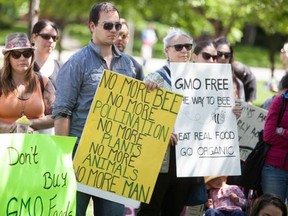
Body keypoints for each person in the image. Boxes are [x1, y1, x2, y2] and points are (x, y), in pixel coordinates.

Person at [52, 2, 141, 216]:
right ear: (92, 26)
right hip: (78, 153)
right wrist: (64, 159)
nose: (114, 30)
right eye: (107, 25)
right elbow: (62, 113)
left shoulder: (129, 65)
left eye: (117, 25)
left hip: (113, 157)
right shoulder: (76, 63)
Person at [137, 28, 197, 216]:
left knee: (175, 206)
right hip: (160, 155)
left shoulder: (202, 79)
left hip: (187, 154)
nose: (184, 51)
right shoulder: (154, 79)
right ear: (166, 51)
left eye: (188, 46)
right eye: (178, 47)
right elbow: (140, 117)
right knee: (151, 207)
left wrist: (229, 111)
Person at [0, 32, 55, 133]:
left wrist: (28, 123)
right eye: (16, 54)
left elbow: (55, 117)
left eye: (27, 53)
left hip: (37, 145)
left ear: (32, 56)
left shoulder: (44, 82)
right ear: (8, 58)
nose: (22, 58)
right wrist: (10, 128)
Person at [262, 83, 288, 202]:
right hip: (274, 169)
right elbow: (268, 135)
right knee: (272, 209)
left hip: (275, 167)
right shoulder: (280, 101)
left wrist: (282, 132)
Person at [213, 37, 252, 102]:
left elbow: (241, 109)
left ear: (230, 58)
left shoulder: (237, 84)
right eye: (219, 54)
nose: (223, 58)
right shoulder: (201, 79)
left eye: (227, 55)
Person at [31, 19, 61, 88]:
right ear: (34, 37)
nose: (51, 41)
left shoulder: (61, 68)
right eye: (46, 36)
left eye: (54, 38)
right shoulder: (23, 66)